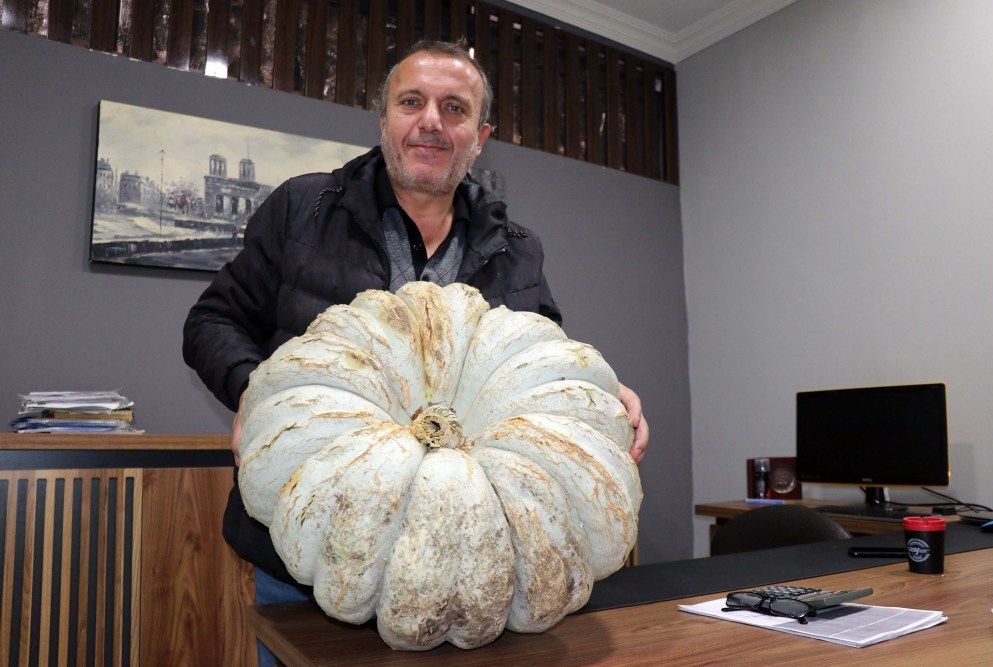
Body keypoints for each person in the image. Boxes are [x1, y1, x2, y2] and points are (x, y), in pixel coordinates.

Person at [182, 39, 648, 666]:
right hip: (311, 555)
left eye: (454, 108)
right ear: (384, 121)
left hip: (473, 568)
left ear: (479, 137)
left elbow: (542, 361)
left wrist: (604, 398)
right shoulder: (304, 207)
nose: (431, 121)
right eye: (412, 102)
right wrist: (258, 394)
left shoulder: (517, 247)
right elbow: (212, 319)